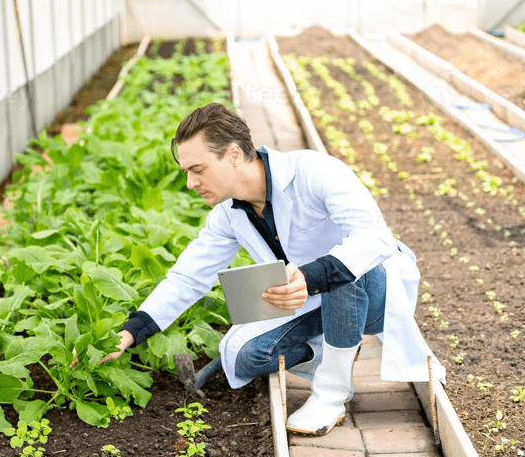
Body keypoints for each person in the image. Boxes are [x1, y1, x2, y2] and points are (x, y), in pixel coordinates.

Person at [104, 102, 444, 436]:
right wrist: (130, 333)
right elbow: (188, 277)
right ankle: (335, 349)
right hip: (314, 301)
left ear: (234, 155)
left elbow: (374, 238)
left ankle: (331, 395)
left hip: (373, 292)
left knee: (342, 268)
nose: (191, 183)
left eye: (198, 170)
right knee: (246, 357)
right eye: (187, 173)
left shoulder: (314, 172)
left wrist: (312, 276)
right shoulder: (229, 214)